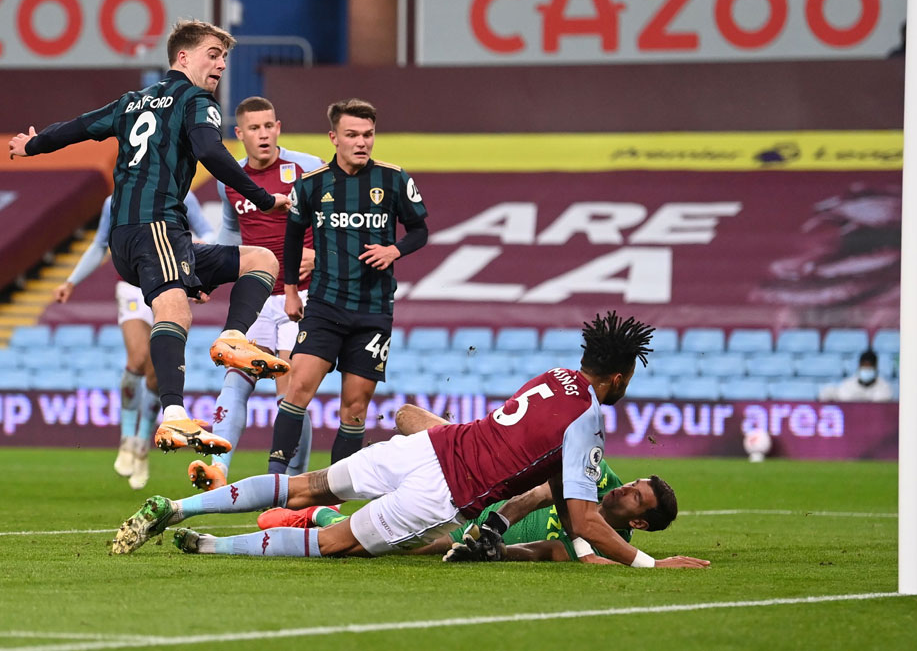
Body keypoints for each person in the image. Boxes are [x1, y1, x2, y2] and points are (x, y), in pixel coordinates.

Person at [112, 312, 709, 569]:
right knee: (337, 543)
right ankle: (212, 547)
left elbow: (544, 469)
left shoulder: (554, 378)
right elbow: (581, 517)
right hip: (444, 489)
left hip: (431, 448)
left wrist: (502, 524)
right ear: (622, 375)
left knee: (305, 484)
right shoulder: (588, 417)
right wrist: (650, 563)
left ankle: (178, 506)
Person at [9, 18, 294, 458]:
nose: (220, 64)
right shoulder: (197, 100)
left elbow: (78, 127)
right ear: (183, 57)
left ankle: (233, 335)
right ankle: (174, 413)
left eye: (224, 57)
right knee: (174, 310)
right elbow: (209, 150)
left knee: (261, 260)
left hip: (133, 235)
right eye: (212, 54)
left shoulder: (131, 102)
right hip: (154, 224)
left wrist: (33, 146)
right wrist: (259, 196)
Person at [263, 98, 429, 473]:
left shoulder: (394, 179)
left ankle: (335, 495)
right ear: (333, 137)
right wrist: (290, 290)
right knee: (298, 389)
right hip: (324, 305)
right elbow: (292, 240)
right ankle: (276, 482)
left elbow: (420, 230)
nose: (362, 142)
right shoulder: (311, 185)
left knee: (355, 408)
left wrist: (394, 250)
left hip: (373, 311)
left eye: (368, 135)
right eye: (352, 134)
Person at [186, 96, 323, 491]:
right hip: (259, 298)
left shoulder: (308, 168)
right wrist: (205, 276)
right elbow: (231, 235)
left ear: (278, 127)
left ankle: (291, 482)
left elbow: (339, 221)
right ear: (239, 134)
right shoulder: (231, 178)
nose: (263, 135)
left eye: (269, 126)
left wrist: (320, 256)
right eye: (254, 128)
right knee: (235, 379)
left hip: (304, 296)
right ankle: (218, 469)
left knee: (290, 391)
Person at [53, 192, 214, 489]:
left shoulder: (182, 194)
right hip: (132, 289)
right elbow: (100, 244)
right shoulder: (114, 200)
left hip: (170, 287)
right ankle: (127, 439)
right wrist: (71, 281)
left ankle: (141, 444)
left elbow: (208, 232)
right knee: (138, 358)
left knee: (156, 373)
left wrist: (198, 268)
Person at [258, 456, 680, 564]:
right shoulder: (598, 473)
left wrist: (495, 552)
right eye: (634, 483)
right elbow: (555, 473)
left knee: (389, 548)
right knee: (410, 419)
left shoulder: (610, 547)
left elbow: (545, 552)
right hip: (487, 492)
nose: (625, 487)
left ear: (639, 522)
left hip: (471, 534)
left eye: (635, 496)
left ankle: (320, 516)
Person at [819, 349, 894, 402]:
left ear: (875, 368)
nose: (866, 369)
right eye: (864, 366)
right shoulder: (848, 385)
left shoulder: (884, 387)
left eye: (869, 367)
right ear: (859, 366)